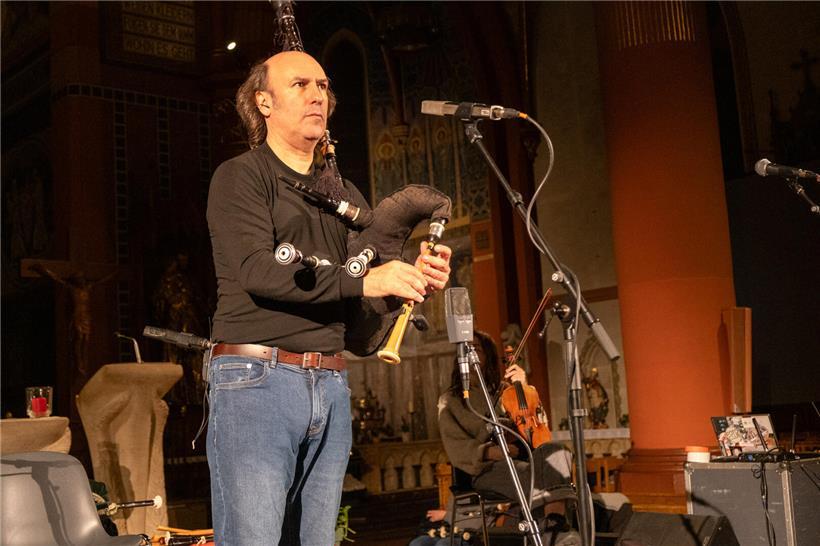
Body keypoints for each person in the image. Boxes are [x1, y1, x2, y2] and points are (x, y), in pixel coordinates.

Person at [206, 50, 452, 546]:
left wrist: (408, 281)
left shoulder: (347, 198)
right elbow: (257, 269)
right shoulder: (241, 177)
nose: (317, 94)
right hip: (257, 382)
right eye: (299, 84)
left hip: (331, 382)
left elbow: (360, 318)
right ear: (263, 103)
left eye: (323, 86)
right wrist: (368, 281)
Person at [437, 331, 577, 544]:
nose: (469, 352)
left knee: (558, 451)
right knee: (537, 475)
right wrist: (491, 451)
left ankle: (553, 523)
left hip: (524, 458)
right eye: (464, 349)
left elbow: (537, 426)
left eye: (476, 348)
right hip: (485, 469)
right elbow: (456, 445)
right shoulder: (451, 400)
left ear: (488, 357)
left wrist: (524, 387)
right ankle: (555, 534)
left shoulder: (504, 392)